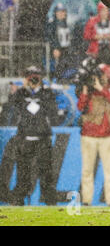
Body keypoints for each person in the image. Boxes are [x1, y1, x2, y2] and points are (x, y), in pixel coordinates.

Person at [9, 66, 57, 205]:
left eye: (36, 76)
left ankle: (50, 201)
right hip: (25, 138)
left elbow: (52, 111)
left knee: (46, 173)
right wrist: (23, 89)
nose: (33, 79)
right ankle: (18, 200)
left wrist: (40, 92)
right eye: (30, 76)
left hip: (42, 138)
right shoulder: (20, 93)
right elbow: (12, 105)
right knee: (23, 173)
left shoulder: (47, 93)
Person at [77, 63, 110, 206]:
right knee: (87, 169)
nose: (106, 76)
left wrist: (101, 89)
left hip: (107, 135)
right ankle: (86, 200)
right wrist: (85, 90)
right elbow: (80, 107)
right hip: (89, 134)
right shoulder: (89, 91)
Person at [45, 3, 85, 81]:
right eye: (59, 12)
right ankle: (56, 78)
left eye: (63, 12)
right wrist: (55, 48)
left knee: (73, 61)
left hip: (67, 49)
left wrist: (74, 48)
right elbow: (50, 37)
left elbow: (74, 37)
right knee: (59, 63)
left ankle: (68, 77)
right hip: (57, 49)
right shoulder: (52, 24)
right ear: (55, 13)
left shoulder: (68, 23)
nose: (61, 14)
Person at [83, 1, 110, 66]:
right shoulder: (92, 21)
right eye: (103, 10)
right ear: (99, 11)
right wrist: (95, 37)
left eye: (106, 10)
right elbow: (86, 35)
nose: (105, 13)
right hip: (96, 50)